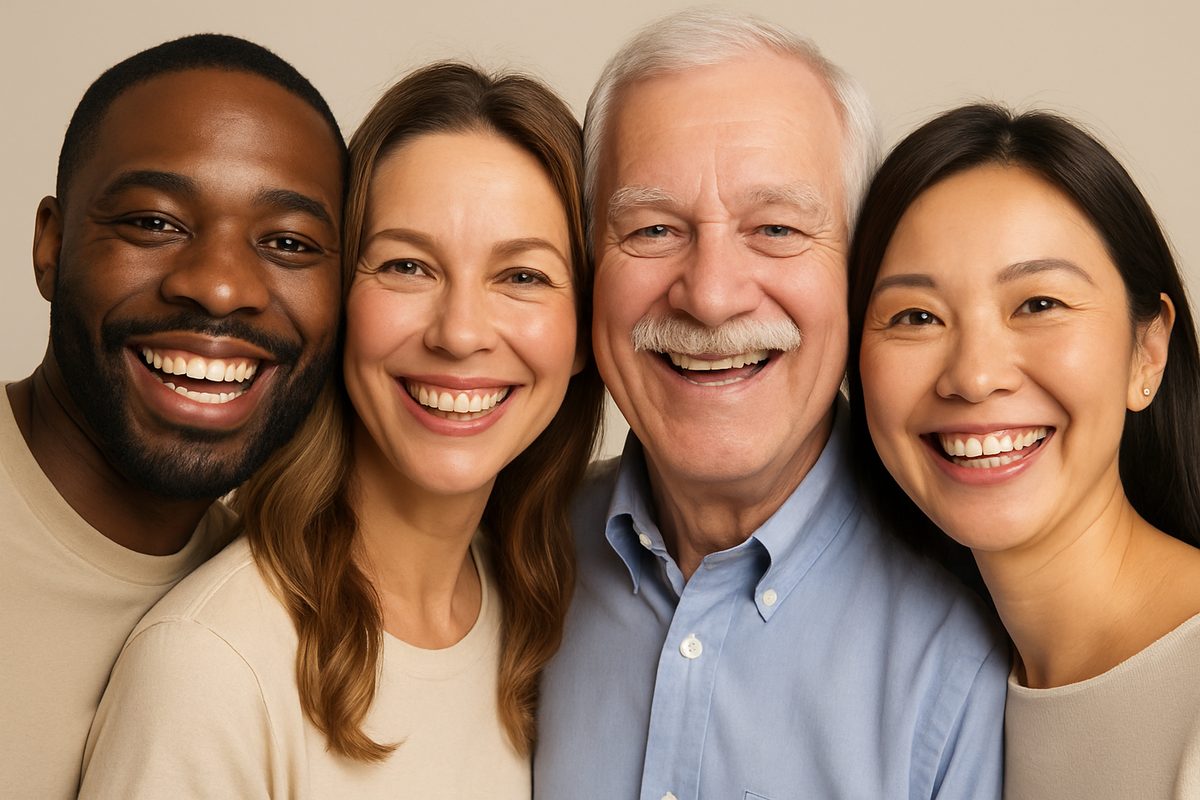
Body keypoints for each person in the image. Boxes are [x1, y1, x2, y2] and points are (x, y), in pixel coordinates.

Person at [78, 61, 604, 797]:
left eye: (522, 277)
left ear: (584, 334)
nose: (459, 334)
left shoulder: (544, 622)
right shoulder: (210, 666)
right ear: (337, 304)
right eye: (407, 265)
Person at [535, 9, 1008, 799]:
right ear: (589, 267)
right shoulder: (518, 563)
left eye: (778, 228)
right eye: (652, 229)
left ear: (860, 272)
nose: (712, 297)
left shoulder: (975, 639)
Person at [0, 34, 345, 798]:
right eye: (154, 223)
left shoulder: (276, 617)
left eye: (287, 242)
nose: (220, 288)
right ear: (50, 245)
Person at [848, 103, 1200, 799]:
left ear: (1147, 353)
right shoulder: (929, 691)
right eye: (916, 317)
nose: (975, 377)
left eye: (1039, 304)